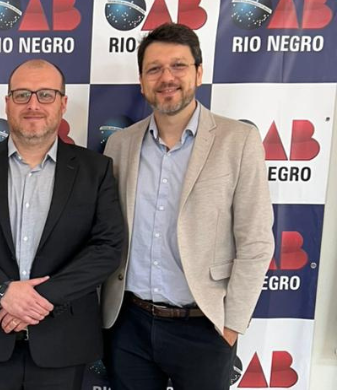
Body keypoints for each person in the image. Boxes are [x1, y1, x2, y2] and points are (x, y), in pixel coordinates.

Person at [101, 23, 275, 390]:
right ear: (142, 81)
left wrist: (231, 325)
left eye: (178, 66)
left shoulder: (239, 140)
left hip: (204, 328)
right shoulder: (120, 145)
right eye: (154, 69)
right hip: (129, 325)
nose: (167, 78)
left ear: (198, 72)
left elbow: (256, 241)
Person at [0, 59, 124, 390]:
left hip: (62, 342)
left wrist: (37, 300)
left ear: (63, 103)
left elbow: (107, 248)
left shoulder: (95, 170)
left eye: (45, 95)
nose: (33, 105)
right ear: (7, 102)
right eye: (22, 94)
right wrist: (3, 291)